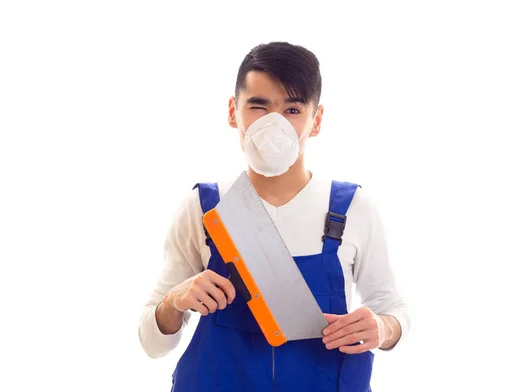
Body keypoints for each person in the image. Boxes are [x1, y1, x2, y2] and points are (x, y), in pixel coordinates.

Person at [138, 41, 410, 391]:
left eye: (293, 110)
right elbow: (151, 342)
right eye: (258, 106)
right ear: (233, 111)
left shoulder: (353, 207)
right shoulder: (205, 208)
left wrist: (384, 327)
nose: (274, 126)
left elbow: (391, 306)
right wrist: (175, 300)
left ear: (317, 120)